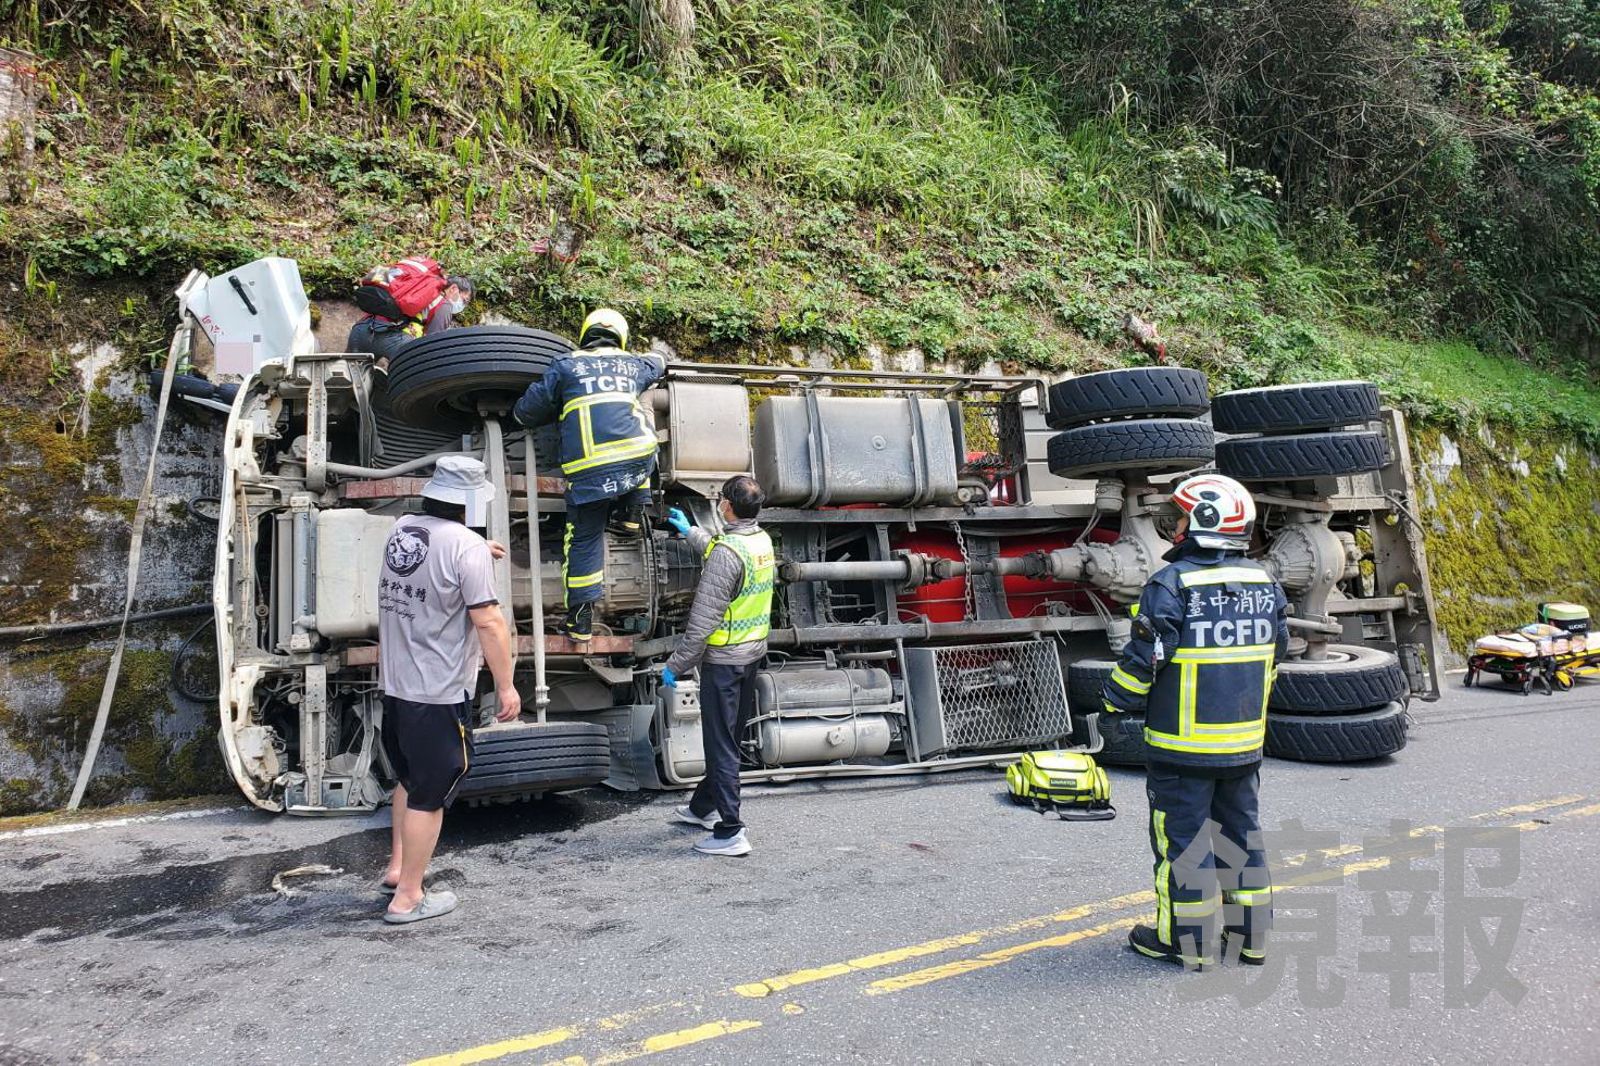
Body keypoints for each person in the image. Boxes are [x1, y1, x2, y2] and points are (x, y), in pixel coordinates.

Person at [1102, 473, 1288, 968]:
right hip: (1243, 746)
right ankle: (1251, 939)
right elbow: (1276, 654)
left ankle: (1188, 944)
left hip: (1181, 749)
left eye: (1182, 518)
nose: (1176, 527)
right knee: (1241, 840)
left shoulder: (1171, 584)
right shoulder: (1265, 583)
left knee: (1183, 847)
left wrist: (1113, 704)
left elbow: (1144, 662)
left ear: (1202, 523)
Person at [377, 455, 520, 924]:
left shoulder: (402, 530)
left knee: (409, 779)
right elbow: (489, 622)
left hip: (396, 685)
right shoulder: (465, 548)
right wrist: (506, 686)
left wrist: (478, 550)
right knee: (431, 793)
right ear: (470, 504)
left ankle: (398, 869)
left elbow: (437, 560)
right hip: (437, 691)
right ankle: (408, 898)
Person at [512, 308, 665, 642]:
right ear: (620, 337)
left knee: (583, 539)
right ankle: (632, 512)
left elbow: (526, 413)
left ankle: (580, 623)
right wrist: (654, 356)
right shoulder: (633, 364)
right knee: (643, 444)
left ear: (585, 334)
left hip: (590, 472)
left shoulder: (565, 366)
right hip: (637, 457)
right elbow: (658, 362)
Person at [658, 475, 774, 857]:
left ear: (727, 506)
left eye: (722, 498)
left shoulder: (729, 552)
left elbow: (702, 622)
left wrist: (676, 664)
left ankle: (730, 831)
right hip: (750, 656)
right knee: (729, 738)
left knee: (720, 745)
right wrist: (690, 532)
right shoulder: (759, 541)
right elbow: (721, 552)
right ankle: (702, 808)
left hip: (724, 663)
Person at [347, 266, 474, 369]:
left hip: (362, 329)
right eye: (464, 300)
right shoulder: (444, 306)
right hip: (395, 342)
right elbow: (432, 345)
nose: (463, 305)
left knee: (347, 378)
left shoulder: (416, 288)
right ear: (453, 289)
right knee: (418, 375)